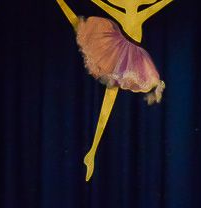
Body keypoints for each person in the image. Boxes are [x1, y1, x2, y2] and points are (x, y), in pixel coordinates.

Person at [51, 0, 173, 180]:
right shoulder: (126, 14)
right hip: (120, 54)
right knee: (81, 26)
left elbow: (161, 3)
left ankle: (92, 151)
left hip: (128, 58)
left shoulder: (138, 14)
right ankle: (92, 152)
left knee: (108, 101)